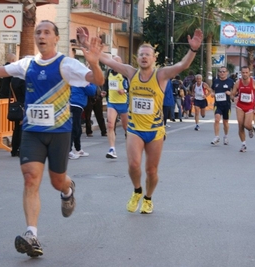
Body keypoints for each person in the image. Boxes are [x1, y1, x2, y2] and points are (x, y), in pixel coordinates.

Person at [0, 20, 104, 257]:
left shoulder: (66, 64)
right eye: (38, 32)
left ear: (56, 38)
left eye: (47, 32)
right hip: (32, 132)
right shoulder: (27, 65)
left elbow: (97, 81)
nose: (41, 35)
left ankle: (67, 189)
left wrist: (96, 65)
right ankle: (31, 234)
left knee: (57, 181)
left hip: (59, 133)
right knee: (30, 179)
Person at [82, 27, 203, 214]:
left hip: (155, 131)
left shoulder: (161, 75)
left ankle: (148, 198)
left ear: (154, 58)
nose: (144, 57)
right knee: (133, 165)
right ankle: (137, 190)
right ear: (137, 58)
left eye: (148, 55)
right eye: (141, 55)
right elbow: (106, 60)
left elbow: (182, 66)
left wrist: (193, 50)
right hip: (135, 129)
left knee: (151, 171)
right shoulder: (131, 73)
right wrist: (87, 45)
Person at [101, 55, 129, 159]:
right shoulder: (109, 73)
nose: (114, 63)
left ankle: (130, 146)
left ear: (120, 63)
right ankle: (112, 149)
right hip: (112, 102)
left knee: (126, 127)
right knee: (110, 125)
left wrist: (124, 91)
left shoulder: (125, 73)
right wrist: (104, 91)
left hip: (123, 103)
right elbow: (106, 84)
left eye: (116, 61)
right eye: (112, 61)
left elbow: (130, 87)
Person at [231, 66, 255, 152]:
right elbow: (232, 94)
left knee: (246, 125)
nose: (244, 74)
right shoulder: (238, 83)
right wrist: (234, 98)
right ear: (241, 73)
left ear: (249, 73)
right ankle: (243, 144)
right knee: (240, 125)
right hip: (240, 106)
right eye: (243, 73)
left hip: (250, 106)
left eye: (246, 72)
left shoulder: (254, 83)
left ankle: (250, 129)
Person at [69, 83, 96, 160]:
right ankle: (69, 151)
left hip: (76, 104)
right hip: (76, 104)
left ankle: (78, 149)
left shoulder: (78, 78)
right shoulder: (83, 80)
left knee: (78, 128)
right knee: (75, 128)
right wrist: (92, 83)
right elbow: (91, 91)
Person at [210, 66, 234, 145]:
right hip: (218, 104)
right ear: (218, 73)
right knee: (217, 119)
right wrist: (212, 93)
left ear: (227, 72)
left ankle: (226, 136)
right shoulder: (216, 81)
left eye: (224, 71)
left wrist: (230, 93)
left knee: (225, 122)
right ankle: (216, 137)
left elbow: (234, 93)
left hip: (226, 104)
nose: (222, 73)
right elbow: (212, 90)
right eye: (220, 72)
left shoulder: (230, 81)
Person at [9, 77, 26, 157]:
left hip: (17, 106)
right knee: (22, 128)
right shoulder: (23, 80)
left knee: (17, 128)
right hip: (23, 105)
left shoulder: (14, 79)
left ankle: (14, 149)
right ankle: (20, 148)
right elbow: (26, 94)